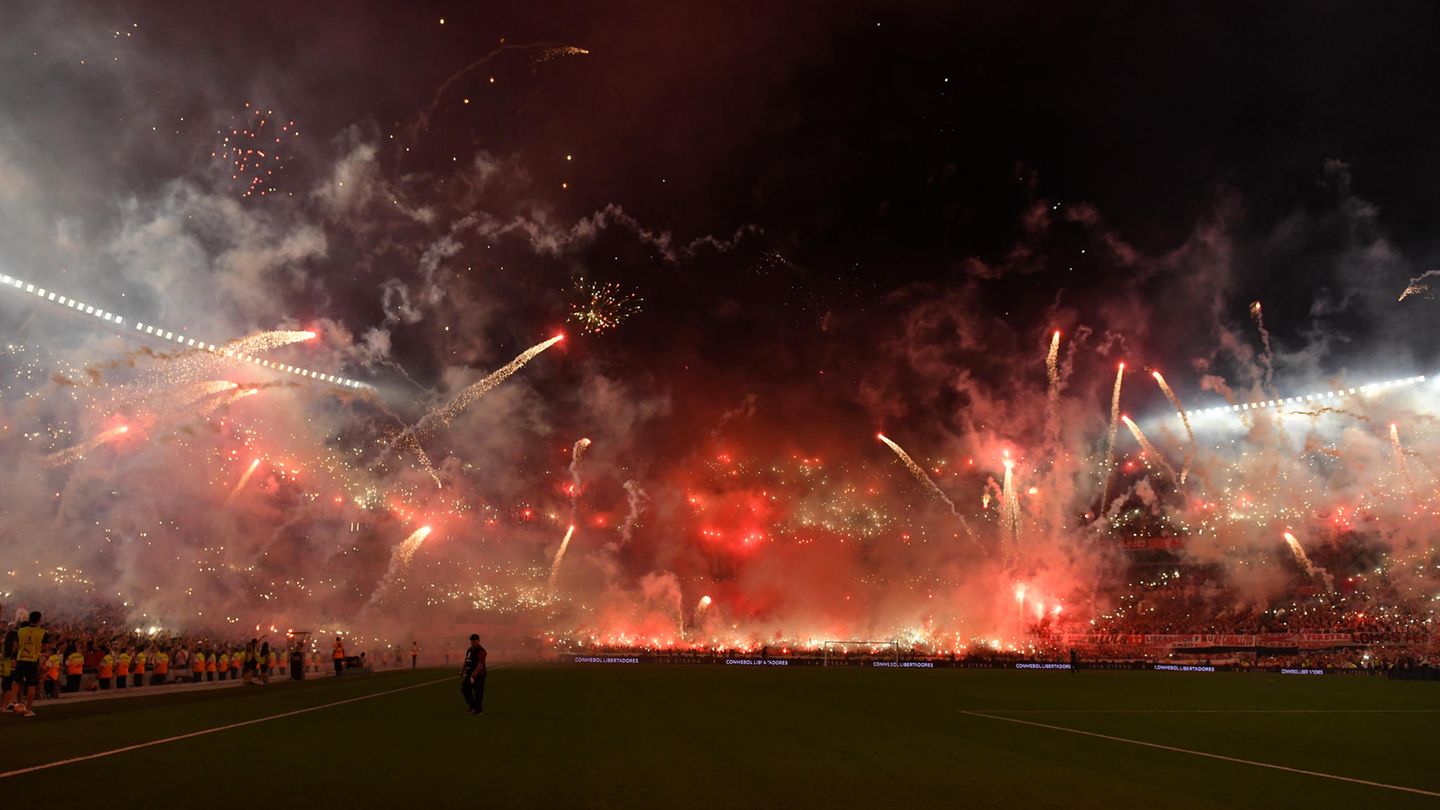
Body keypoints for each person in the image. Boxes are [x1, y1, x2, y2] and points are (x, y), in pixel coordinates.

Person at [12, 611, 47, 716]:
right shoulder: (42, 632)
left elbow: (15, 647)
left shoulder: (20, 631)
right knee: (31, 685)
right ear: (39, 620)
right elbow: (45, 648)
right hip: (32, 661)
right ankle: (28, 710)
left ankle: (12, 702)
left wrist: (14, 657)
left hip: (21, 659)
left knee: (17, 682)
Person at [460, 633, 486, 715]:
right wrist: (462, 670)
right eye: (472, 640)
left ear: (478, 641)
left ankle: (478, 709)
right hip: (469, 674)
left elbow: (481, 663)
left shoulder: (481, 651)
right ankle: (472, 706)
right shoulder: (469, 650)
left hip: (478, 675)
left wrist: (475, 672)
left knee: (478, 692)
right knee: (464, 689)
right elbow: (466, 660)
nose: (473, 642)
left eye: (475, 640)